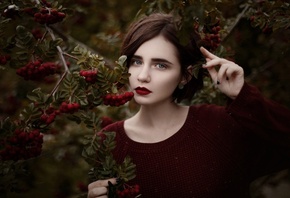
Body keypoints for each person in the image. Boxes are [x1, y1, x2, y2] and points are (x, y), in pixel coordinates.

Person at [87, 13, 290, 198]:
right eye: (136, 62)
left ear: (184, 76)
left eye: (160, 65)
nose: (142, 76)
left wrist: (243, 96)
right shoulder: (108, 142)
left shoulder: (219, 126)